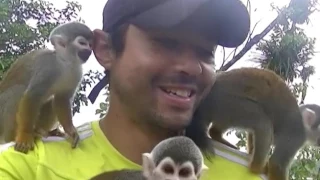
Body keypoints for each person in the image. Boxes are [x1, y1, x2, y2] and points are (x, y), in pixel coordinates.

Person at [0, 0, 267, 179]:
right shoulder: (28, 168)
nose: (191, 67)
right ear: (105, 50)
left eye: (205, 52)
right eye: (166, 43)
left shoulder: (247, 174)